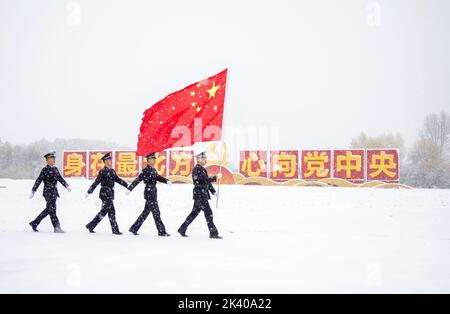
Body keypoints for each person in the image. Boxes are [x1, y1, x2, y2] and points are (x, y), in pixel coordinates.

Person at [178, 151, 222, 239]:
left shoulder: (202, 169)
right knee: (208, 213)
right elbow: (202, 181)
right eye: (204, 158)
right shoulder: (196, 169)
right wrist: (215, 177)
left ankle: (182, 228)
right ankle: (213, 232)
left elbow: (207, 183)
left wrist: (213, 192)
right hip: (200, 195)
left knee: (194, 213)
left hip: (202, 195)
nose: (206, 160)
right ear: (199, 159)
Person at [127, 152, 172, 236]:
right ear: (148, 161)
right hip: (149, 192)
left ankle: (134, 228)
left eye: (154, 159)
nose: (154, 160)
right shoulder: (146, 170)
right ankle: (161, 231)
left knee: (146, 212)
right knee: (156, 212)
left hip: (153, 192)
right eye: (152, 159)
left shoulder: (153, 169)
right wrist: (130, 188)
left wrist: (166, 181)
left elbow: (158, 177)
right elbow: (138, 179)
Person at [85, 152, 128, 235]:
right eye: (108, 160)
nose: (110, 161)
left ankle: (91, 225)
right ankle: (114, 230)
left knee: (106, 211)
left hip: (110, 193)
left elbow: (118, 180)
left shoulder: (112, 171)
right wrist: (89, 191)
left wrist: (126, 185)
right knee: (110, 211)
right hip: (104, 193)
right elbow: (96, 182)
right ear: (104, 161)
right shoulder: (102, 171)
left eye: (110, 159)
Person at [29, 151, 71, 233]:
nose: (53, 160)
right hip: (47, 191)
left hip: (54, 192)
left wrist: (66, 185)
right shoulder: (45, 170)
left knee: (50, 210)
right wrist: (33, 190)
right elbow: (39, 180)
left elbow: (60, 178)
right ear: (47, 160)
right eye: (51, 158)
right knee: (51, 209)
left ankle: (35, 223)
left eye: (54, 158)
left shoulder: (55, 169)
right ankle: (56, 227)